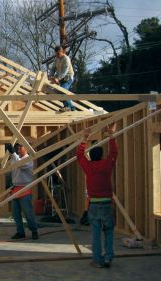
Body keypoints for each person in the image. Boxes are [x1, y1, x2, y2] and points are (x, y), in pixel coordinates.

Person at [77, 124, 117, 268]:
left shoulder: (88, 167)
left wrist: (85, 137)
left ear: (91, 156)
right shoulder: (106, 165)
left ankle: (97, 261)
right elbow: (114, 153)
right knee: (108, 232)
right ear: (101, 156)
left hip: (93, 205)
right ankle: (108, 258)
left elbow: (79, 155)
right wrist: (111, 135)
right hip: (107, 204)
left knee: (95, 234)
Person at [5, 143, 39, 240]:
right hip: (15, 188)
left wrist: (13, 153)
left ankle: (34, 231)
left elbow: (21, 165)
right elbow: (12, 170)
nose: (19, 148)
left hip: (24, 188)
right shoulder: (15, 158)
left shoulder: (28, 160)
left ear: (27, 149)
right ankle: (20, 232)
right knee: (16, 214)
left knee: (28, 212)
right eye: (18, 147)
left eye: (21, 146)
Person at [49, 45, 75, 112]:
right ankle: (71, 107)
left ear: (62, 51)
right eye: (56, 54)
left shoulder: (66, 59)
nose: (57, 55)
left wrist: (58, 78)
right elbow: (53, 68)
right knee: (58, 92)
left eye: (58, 53)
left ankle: (67, 106)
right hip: (61, 79)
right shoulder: (56, 59)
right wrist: (50, 76)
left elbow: (65, 71)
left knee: (62, 90)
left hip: (68, 77)